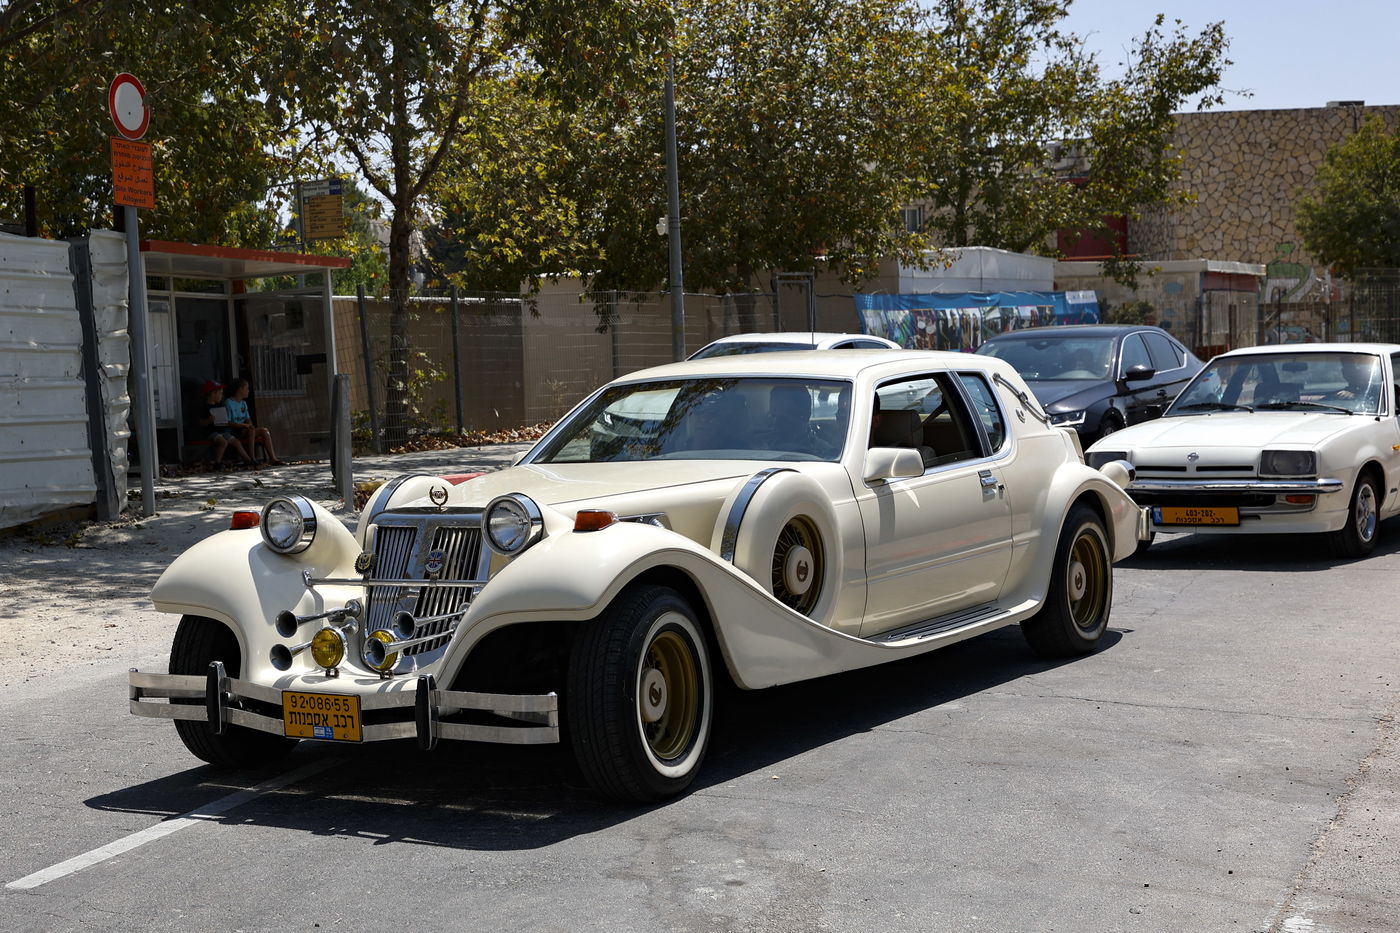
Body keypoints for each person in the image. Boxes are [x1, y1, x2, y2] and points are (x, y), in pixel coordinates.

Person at [224, 377, 285, 465]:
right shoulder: (228, 402)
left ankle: (273, 458)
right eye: (247, 388)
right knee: (251, 430)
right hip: (234, 430)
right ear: (240, 389)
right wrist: (246, 426)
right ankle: (252, 458)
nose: (248, 391)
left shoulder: (243, 403)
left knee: (264, 431)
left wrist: (250, 425)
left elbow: (248, 419)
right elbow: (228, 423)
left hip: (244, 429)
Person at [199, 380, 254, 469]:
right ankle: (217, 463)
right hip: (211, 432)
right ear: (213, 394)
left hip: (222, 431)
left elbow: (225, 421)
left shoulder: (220, 405)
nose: (222, 396)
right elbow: (201, 422)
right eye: (220, 394)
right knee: (223, 442)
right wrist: (209, 420)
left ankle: (248, 460)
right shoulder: (204, 407)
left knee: (236, 442)